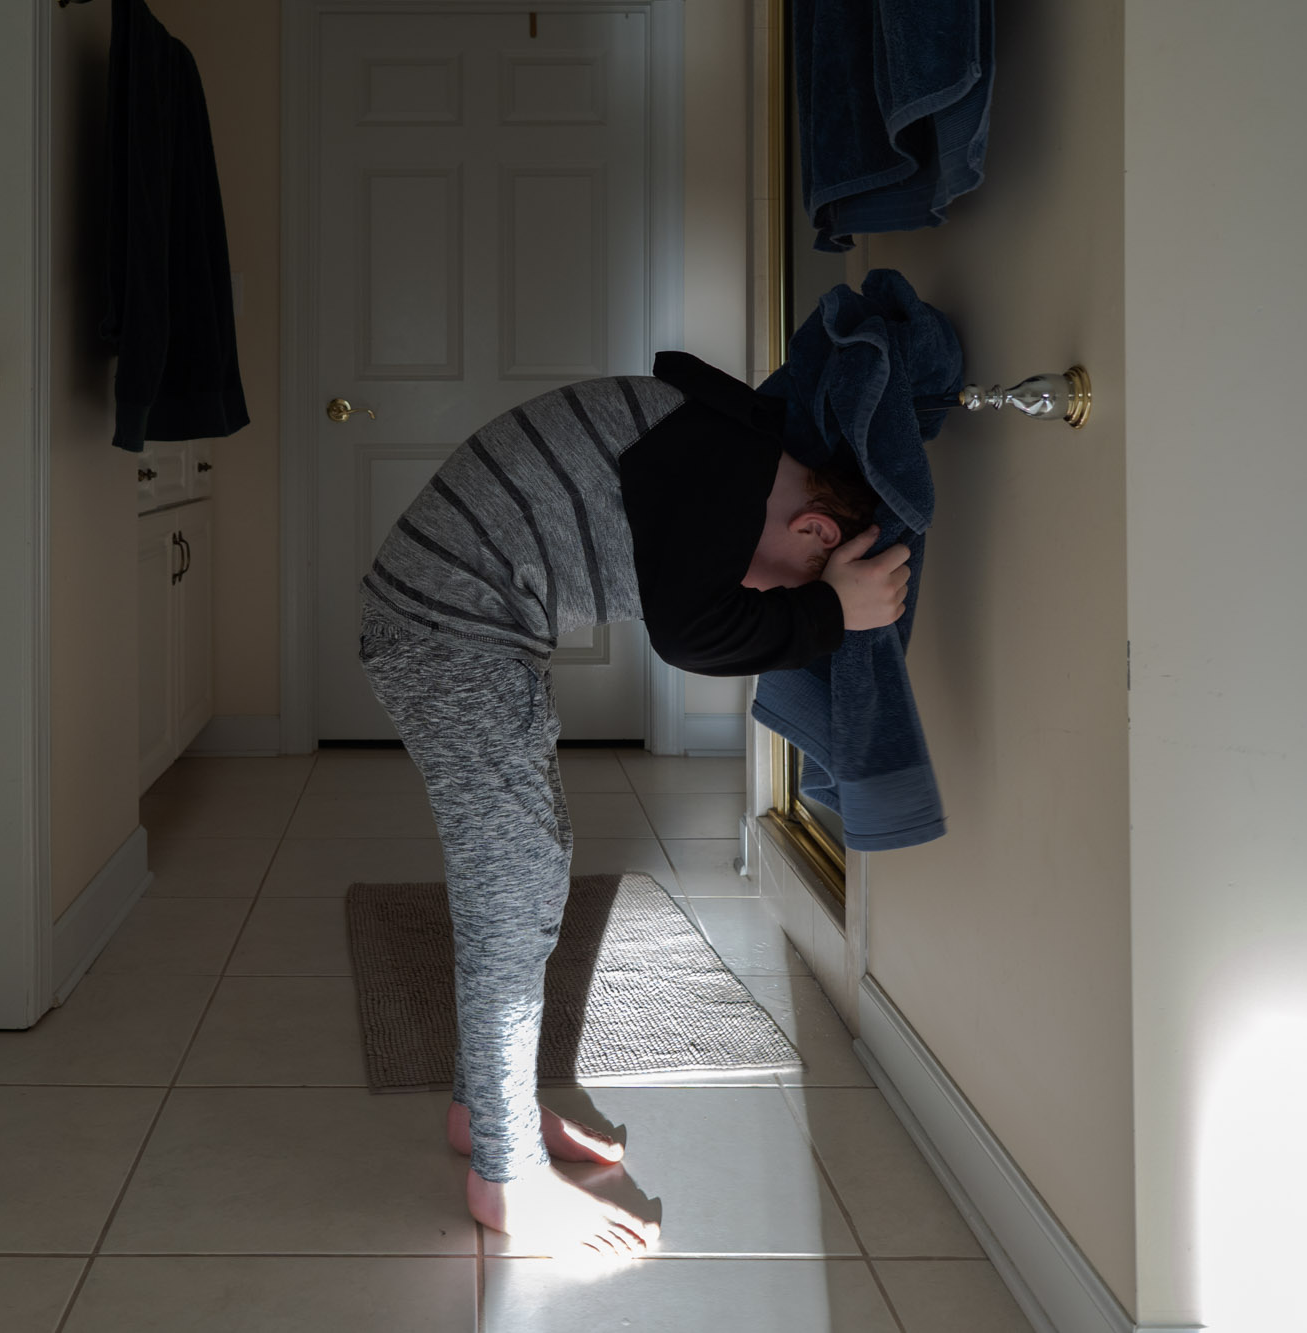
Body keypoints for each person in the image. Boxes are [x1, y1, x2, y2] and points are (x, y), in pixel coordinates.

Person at [357, 351, 911, 1259]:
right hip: (444, 629)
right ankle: (505, 1178)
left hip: (470, 629)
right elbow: (696, 632)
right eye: (789, 581)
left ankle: (483, 1106)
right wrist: (831, 615)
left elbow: (705, 604)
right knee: (511, 894)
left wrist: (816, 601)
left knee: (531, 879)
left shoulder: (724, 450)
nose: (762, 596)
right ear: (811, 529)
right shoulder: (722, 471)